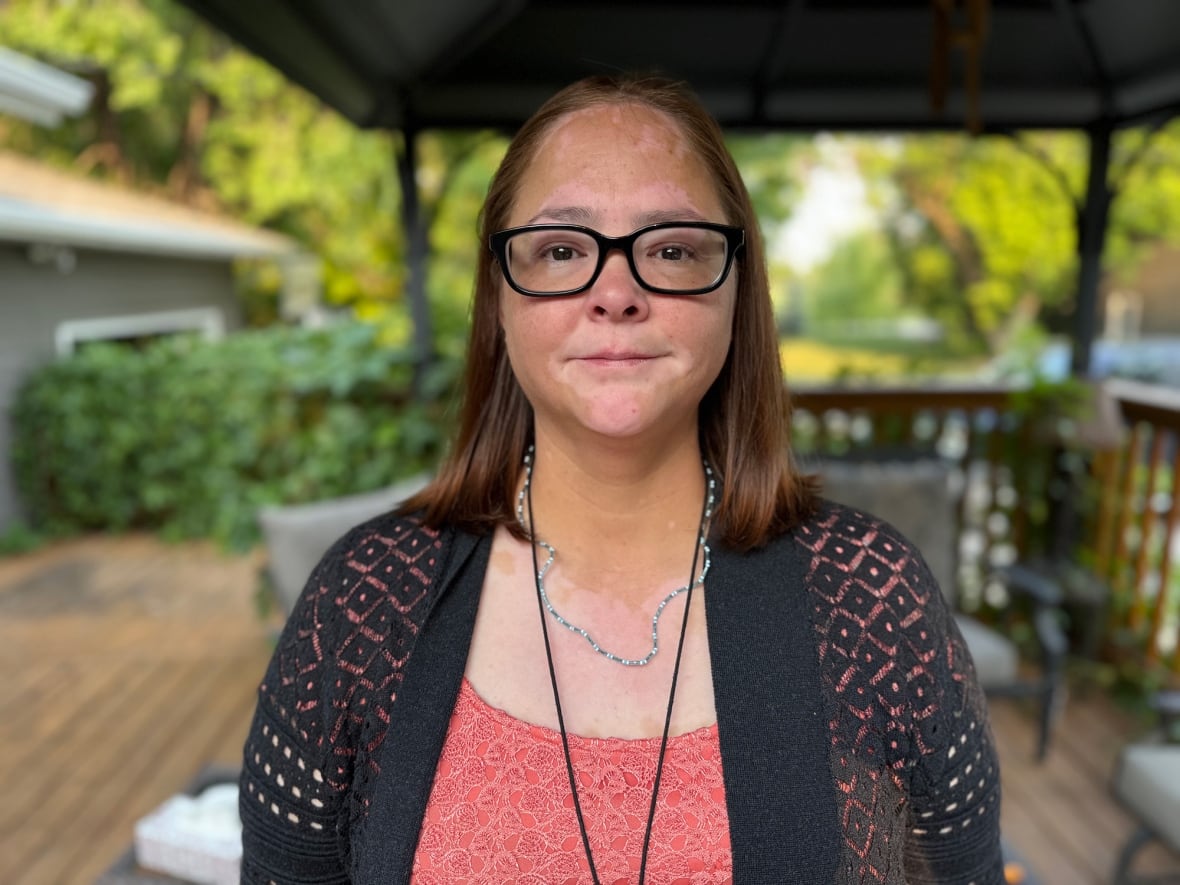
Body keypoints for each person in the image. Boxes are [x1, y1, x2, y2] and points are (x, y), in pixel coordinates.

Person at [239, 74, 1004, 884]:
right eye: (561, 250)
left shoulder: (873, 599)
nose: (616, 293)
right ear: (498, 296)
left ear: (737, 288)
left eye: (671, 249)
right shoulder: (362, 604)